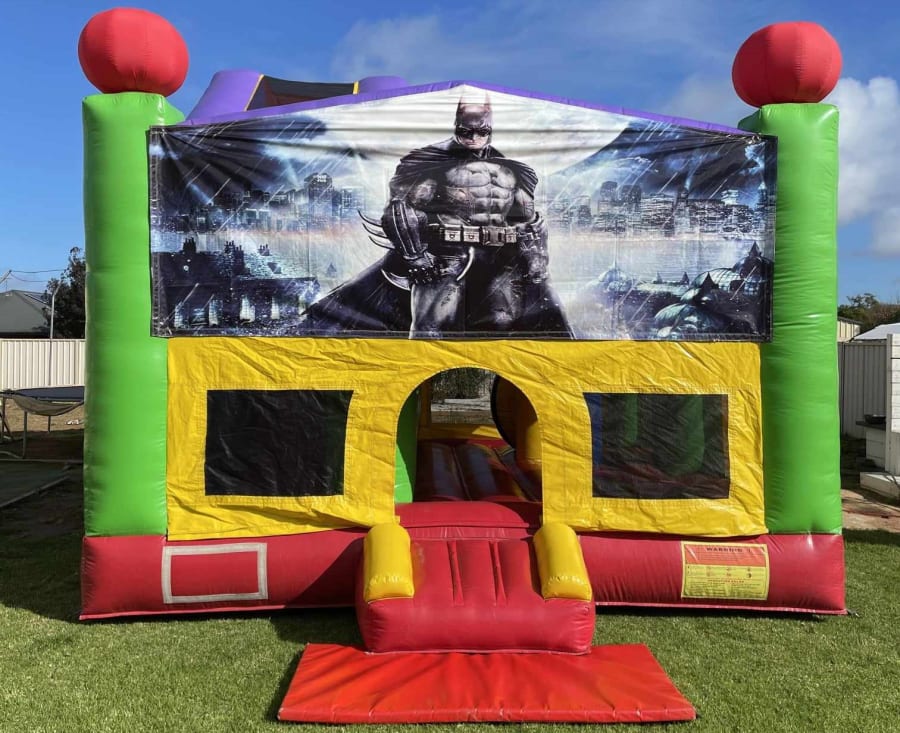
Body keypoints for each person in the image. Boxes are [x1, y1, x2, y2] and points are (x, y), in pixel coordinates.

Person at [375, 95, 570, 337]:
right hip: (447, 256)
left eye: (481, 131)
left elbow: (528, 219)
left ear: (490, 131)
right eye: (466, 131)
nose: (473, 137)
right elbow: (401, 211)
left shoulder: (509, 170)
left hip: (500, 257)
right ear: (457, 127)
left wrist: (536, 259)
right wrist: (416, 258)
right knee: (431, 328)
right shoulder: (435, 163)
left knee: (502, 326)